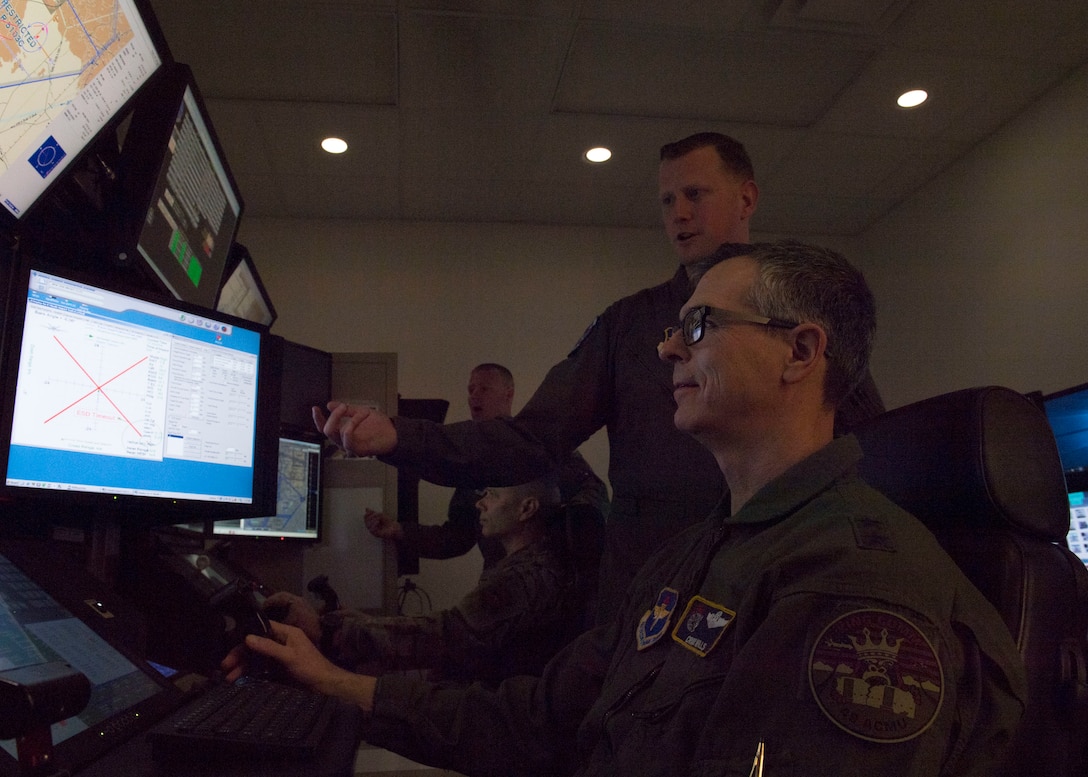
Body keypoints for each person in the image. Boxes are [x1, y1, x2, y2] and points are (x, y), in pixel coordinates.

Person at [226, 240, 1025, 776]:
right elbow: (542, 714)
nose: (667, 347)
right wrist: (337, 684)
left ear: (801, 353)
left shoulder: (853, 585)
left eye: (700, 326)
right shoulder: (693, 554)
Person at [311, 132, 885, 622]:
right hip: (649, 598)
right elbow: (532, 438)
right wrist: (399, 436)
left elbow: (872, 454)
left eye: (694, 194)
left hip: (775, 593)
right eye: (666, 201)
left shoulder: (798, 308)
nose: (678, 214)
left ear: (746, 198)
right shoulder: (630, 327)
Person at [260, 478, 581, 686]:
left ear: (527, 508)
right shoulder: (529, 563)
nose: (480, 503)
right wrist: (362, 622)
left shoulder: (524, 578)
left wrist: (326, 629)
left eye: (493, 494)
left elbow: (445, 635)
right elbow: (455, 627)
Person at [363, 362, 609, 571]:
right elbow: (456, 538)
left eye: (484, 388)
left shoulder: (538, 447)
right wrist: (399, 530)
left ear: (508, 394)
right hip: (500, 587)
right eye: (470, 389)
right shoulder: (471, 461)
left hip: (551, 588)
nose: (474, 395)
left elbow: (593, 500)